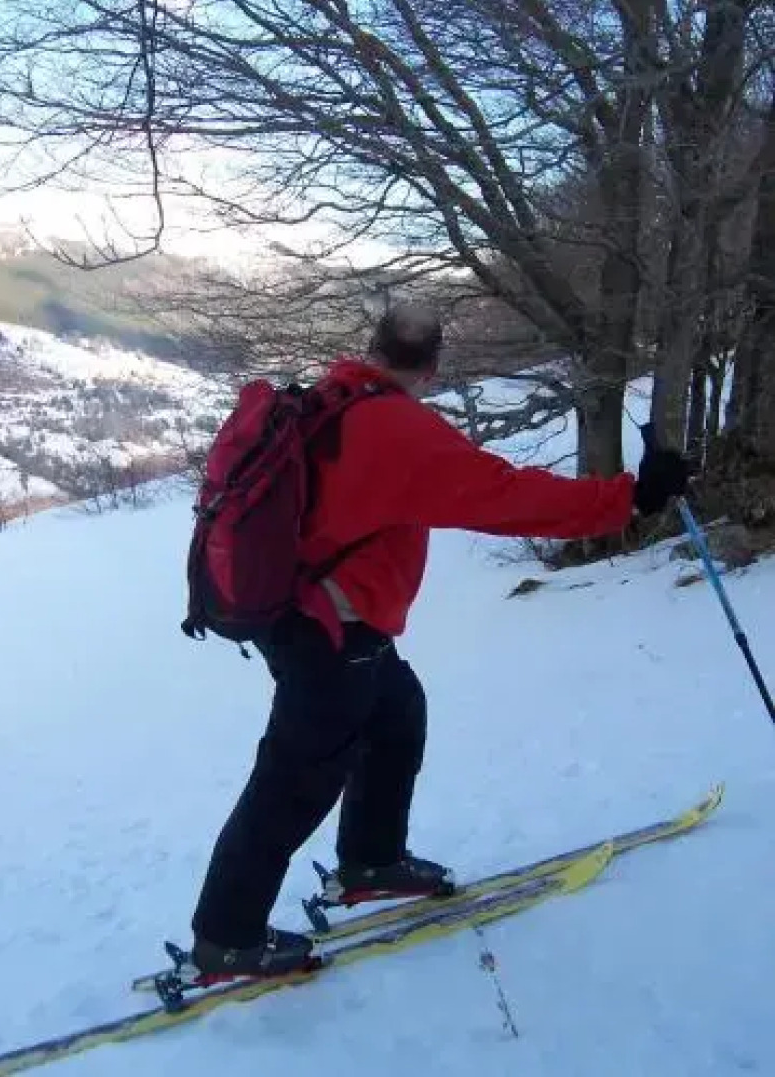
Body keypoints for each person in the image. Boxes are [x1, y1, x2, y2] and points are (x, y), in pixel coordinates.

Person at [188, 302, 688, 978]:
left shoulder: (334, 396)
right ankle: (227, 935)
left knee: (396, 714)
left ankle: (370, 860)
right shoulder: (399, 430)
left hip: (315, 616)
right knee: (297, 778)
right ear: (431, 366)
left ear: (372, 349)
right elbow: (508, 498)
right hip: (331, 627)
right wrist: (627, 498)